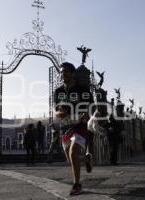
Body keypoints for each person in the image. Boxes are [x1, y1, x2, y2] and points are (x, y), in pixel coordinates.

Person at [54, 62, 93, 195]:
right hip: (65, 127)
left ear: (72, 73)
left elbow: (92, 107)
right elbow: (56, 112)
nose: (62, 74)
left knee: (73, 152)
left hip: (80, 126)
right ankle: (86, 159)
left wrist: (88, 114)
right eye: (61, 72)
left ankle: (77, 185)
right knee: (71, 159)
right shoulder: (58, 92)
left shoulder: (83, 90)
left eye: (65, 71)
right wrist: (61, 114)